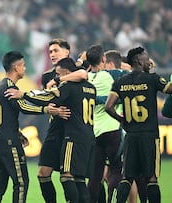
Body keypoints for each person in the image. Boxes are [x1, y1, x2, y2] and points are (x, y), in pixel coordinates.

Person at [105, 47, 172, 203]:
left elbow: (108, 107)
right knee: (152, 179)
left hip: (130, 136)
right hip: (149, 137)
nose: (149, 61)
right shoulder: (152, 79)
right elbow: (170, 89)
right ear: (139, 61)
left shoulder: (120, 82)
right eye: (147, 58)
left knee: (127, 177)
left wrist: (121, 119)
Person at [0, 51, 50, 203]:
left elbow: (4, 115)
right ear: (16, 67)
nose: (25, 68)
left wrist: (17, 131)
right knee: (21, 182)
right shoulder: (9, 87)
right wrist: (47, 109)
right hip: (8, 141)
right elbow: (24, 107)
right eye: (23, 65)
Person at [36, 38, 88, 203]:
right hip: (55, 128)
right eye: (50, 51)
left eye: (56, 50)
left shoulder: (76, 70)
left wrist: (59, 79)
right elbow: (47, 97)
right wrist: (53, 109)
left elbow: (82, 74)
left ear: (67, 52)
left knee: (72, 176)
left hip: (72, 129)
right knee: (43, 173)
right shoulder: (46, 76)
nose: (52, 54)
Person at [47, 57, 96, 203]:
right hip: (89, 137)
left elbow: (51, 99)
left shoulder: (68, 86)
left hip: (73, 137)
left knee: (66, 175)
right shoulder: (91, 87)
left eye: (58, 73)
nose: (57, 76)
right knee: (79, 179)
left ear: (66, 71)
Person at [85, 45, 124, 203]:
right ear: (103, 59)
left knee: (95, 176)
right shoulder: (107, 77)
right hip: (112, 130)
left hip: (94, 133)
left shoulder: (85, 78)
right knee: (116, 171)